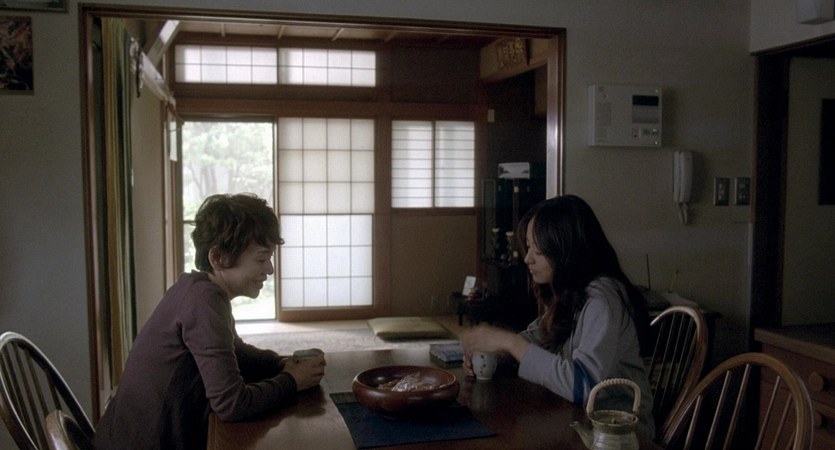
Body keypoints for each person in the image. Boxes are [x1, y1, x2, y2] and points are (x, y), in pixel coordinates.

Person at [94, 193, 326, 450]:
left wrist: (279, 363)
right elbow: (232, 404)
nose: (270, 269)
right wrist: (292, 381)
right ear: (218, 257)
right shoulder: (203, 301)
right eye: (262, 259)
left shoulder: (197, 289)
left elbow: (235, 351)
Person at [461, 194, 655, 439]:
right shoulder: (573, 290)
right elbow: (542, 334)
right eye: (528, 246)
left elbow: (582, 385)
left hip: (619, 434)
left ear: (566, 250)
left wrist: (511, 343)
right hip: (580, 421)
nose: (527, 258)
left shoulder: (603, 299)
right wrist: (498, 351)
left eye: (538, 250)